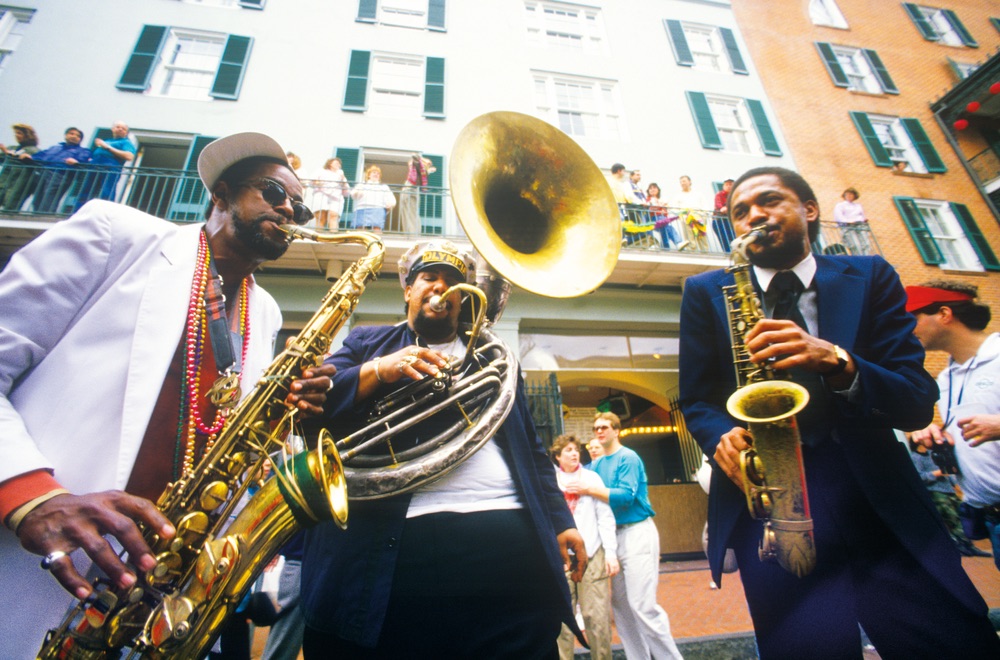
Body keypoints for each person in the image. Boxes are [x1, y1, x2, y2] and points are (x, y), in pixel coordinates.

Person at [0, 131, 336, 659]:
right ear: (221, 194)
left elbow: (221, 429)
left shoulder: (264, 310)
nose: (290, 209)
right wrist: (27, 497)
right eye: (274, 192)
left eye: (300, 206)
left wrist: (281, 410)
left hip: (154, 586)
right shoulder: (116, 233)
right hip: (38, 556)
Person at [678, 166, 1000, 658]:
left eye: (769, 201)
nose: (753, 217)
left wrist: (838, 361)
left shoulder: (870, 275)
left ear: (809, 210)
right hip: (770, 508)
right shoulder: (704, 290)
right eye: (739, 212)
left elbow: (915, 401)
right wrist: (719, 434)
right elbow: (698, 398)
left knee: (950, 643)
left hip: (878, 503)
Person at [298, 240, 586, 658]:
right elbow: (318, 402)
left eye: (453, 282)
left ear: (465, 298)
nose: (441, 289)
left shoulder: (494, 358)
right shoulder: (367, 341)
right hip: (400, 542)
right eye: (429, 278)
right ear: (407, 290)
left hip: (508, 539)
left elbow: (532, 449)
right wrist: (382, 370)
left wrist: (560, 519)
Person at [908, 281, 1000, 570]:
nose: (906, 330)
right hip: (987, 514)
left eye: (911, 319)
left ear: (944, 314)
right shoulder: (947, 378)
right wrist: (939, 436)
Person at [587, 412, 684, 660]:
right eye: (596, 428)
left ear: (616, 430)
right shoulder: (597, 465)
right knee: (621, 607)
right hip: (612, 537)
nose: (599, 431)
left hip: (637, 532)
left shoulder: (628, 458)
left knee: (642, 606)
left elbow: (625, 496)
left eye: (605, 427)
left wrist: (591, 489)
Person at [551, 434, 619, 660]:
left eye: (576, 449)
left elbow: (605, 517)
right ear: (558, 456)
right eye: (568, 450)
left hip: (592, 554)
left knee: (596, 616)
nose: (573, 453)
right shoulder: (551, 482)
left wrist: (610, 553)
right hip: (561, 558)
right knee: (562, 620)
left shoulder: (592, 478)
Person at [23, 126, 91, 213]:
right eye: (71, 134)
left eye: (78, 136)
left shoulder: (83, 150)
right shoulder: (55, 148)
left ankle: (45, 216)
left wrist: (76, 161)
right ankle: (37, 214)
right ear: (65, 135)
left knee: (50, 197)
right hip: (44, 173)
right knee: (38, 197)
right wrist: (29, 157)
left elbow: (83, 160)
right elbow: (40, 156)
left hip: (61, 174)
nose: (74, 136)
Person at [73, 120, 137, 210]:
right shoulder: (108, 140)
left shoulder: (126, 142)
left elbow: (129, 156)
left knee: (107, 192)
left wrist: (107, 147)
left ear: (126, 132)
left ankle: (105, 213)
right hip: (94, 165)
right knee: (86, 191)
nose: (120, 129)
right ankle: (78, 212)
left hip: (111, 166)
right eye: (118, 127)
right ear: (113, 129)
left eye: (123, 129)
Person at [0, 122, 40, 211]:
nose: (16, 135)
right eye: (16, 133)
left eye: (19, 133)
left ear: (27, 135)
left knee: (10, 207)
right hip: (4, 181)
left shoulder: (34, 150)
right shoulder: (12, 147)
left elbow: (31, 162)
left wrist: (8, 153)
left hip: (19, 183)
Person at [350, 164, 395, 233]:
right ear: (369, 175)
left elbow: (391, 199)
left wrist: (390, 204)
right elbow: (353, 194)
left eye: (378, 173)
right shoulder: (362, 185)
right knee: (361, 228)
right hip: (362, 208)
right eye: (374, 172)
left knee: (377, 228)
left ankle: (378, 243)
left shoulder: (383, 187)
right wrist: (358, 192)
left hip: (378, 208)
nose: (376, 174)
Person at [671, 175, 710, 252]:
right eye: (681, 182)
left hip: (699, 217)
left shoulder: (698, 194)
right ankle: (692, 252)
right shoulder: (678, 196)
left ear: (690, 182)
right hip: (686, 218)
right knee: (690, 239)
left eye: (684, 181)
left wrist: (703, 215)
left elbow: (705, 207)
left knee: (702, 238)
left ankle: (705, 253)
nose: (682, 183)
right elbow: (674, 208)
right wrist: (682, 214)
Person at [400, 153, 435, 235]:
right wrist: (424, 162)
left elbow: (415, 158)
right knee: (410, 215)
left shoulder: (418, 170)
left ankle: (412, 234)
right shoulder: (419, 169)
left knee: (411, 215)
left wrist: (426, 167)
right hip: (410, 193)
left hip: (411, 192)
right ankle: (413, 234)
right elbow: (415, 158)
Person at [312, 157, 350, 231]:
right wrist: (320, 183)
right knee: (321, 217)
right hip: (321, 196)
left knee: (333, 216)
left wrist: (343, 179)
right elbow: (312, 181)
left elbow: (347, 191)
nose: (338, 165)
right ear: (330, 163)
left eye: (339, 164)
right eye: (336, 163)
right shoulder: (321, 171)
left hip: (336, 198)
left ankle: (333, 237)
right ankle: (318, 237)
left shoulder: (340, 174)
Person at [832, 187, 869, 255]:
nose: (849, 196)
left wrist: (864, 220)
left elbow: (862, 215)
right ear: (844, 195)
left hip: (860, 225)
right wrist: (847, 221)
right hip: (849, 227)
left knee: (865, 244)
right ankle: (859, 259)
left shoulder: (858, 206)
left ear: (854, 196)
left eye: (851, 194)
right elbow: (838, 216)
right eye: (847, 194)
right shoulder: (840, 205)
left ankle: (866, 258)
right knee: (855, 245)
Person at [648, 182, 683, 250]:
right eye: (650, 188)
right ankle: (678, 242)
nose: (652, 189)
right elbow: (649, 209)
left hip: (662, 218)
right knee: (667, 226)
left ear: (658, 190)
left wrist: (663, 208)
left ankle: (665, 247)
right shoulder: (648, 199)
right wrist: (660, 206)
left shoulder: (661, 199)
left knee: (665, 228)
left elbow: (666, 210)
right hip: (654, 219)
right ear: (648, 191)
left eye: (654, 188)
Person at [712, 178, 735, 250]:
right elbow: (718, 205)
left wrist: (727, 208)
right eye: (727, 184)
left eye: (730, 184)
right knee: (724, 240)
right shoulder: (719, 194)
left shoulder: (735, 195)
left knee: (735, 239)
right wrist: (724, 208)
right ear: (723, 186)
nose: (728, 186)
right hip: (720, 221)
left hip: (731, 220)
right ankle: (728, 254)